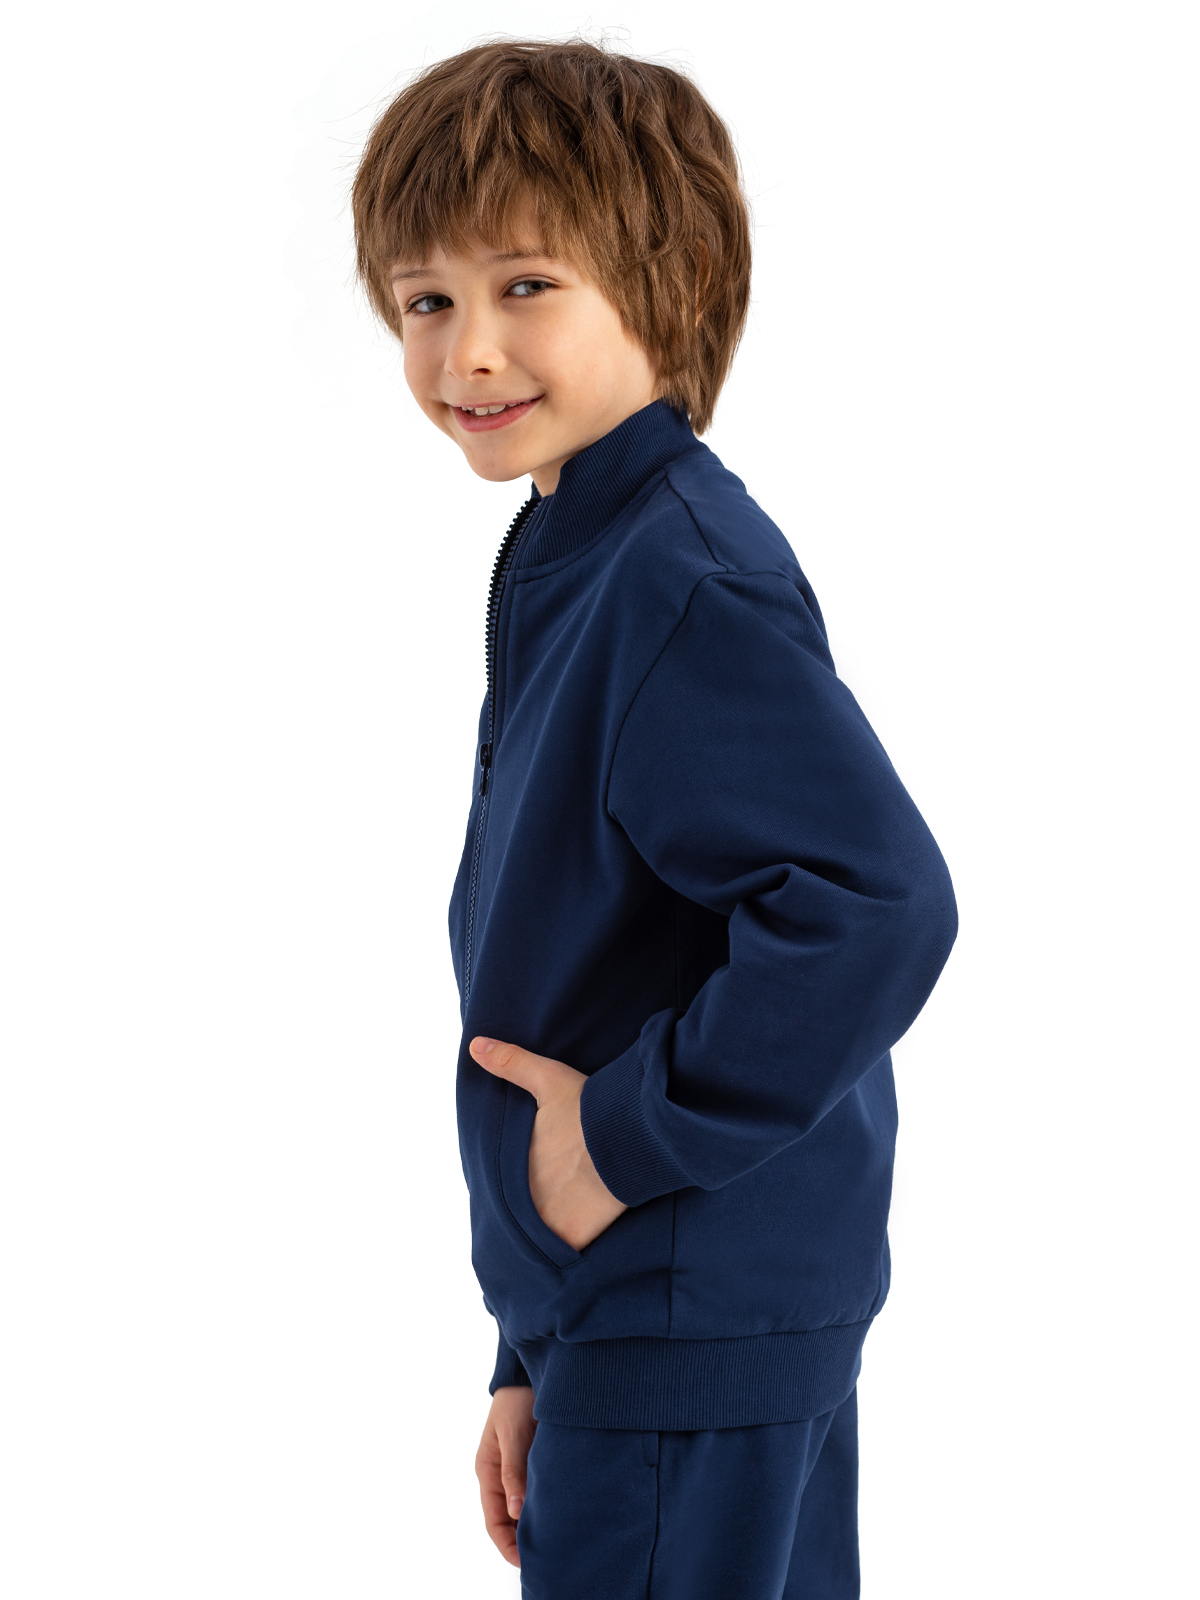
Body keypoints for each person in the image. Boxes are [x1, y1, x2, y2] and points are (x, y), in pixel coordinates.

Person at [352, 38, 957, 1600]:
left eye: (525, 285)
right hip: (652, 1309)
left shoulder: (677, 578)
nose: (467, 351)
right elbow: (603, 962)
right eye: (425, 301)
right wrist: (532, 1340)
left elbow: (875, 902)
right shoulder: (579, 544)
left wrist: (616, 1150)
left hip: (682, 1310)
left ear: (666, 284)